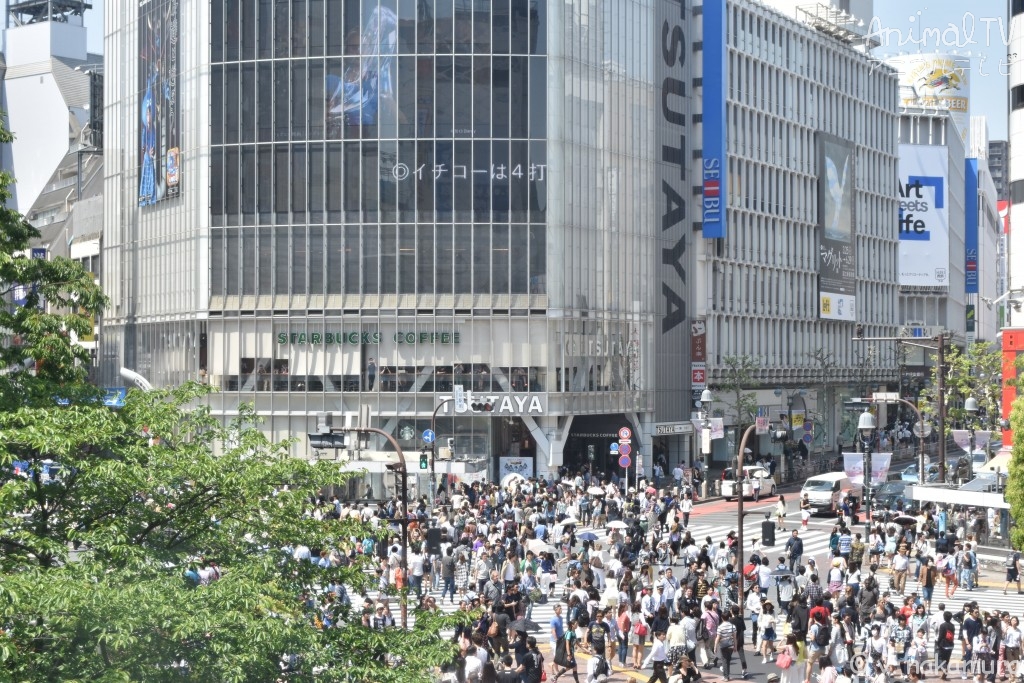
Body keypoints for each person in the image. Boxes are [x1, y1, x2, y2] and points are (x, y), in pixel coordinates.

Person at [714, 610, 738, 681]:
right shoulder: (733, 626)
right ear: (729, 617)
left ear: (722, 618)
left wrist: (715, 647)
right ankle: (728, 675)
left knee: (724, 660)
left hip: (723, 645)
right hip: (730, 645)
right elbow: (734, 637)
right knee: (728, 660)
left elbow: (718, 638)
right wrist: (735, 646)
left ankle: (726, 676)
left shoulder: (720, 627)